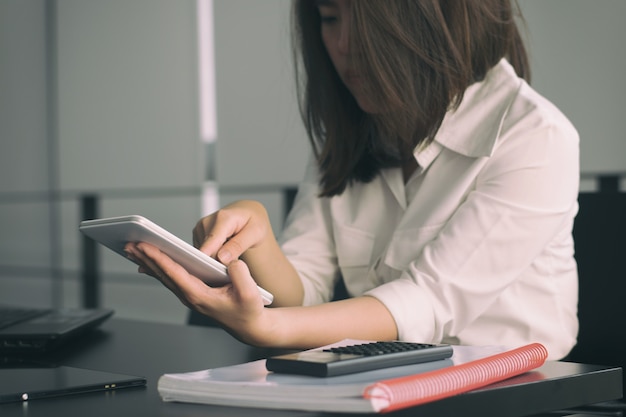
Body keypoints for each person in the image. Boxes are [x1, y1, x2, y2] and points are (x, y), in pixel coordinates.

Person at [125, 0, 579, 360]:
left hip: (521, 391)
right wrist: (257, 239)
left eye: (366, 20)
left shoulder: (536, 137)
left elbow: (428, 301)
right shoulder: (353, 132)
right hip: (384, 378)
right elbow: (302, 293)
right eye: (328, 17)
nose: (343, 44)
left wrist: (268, 328)